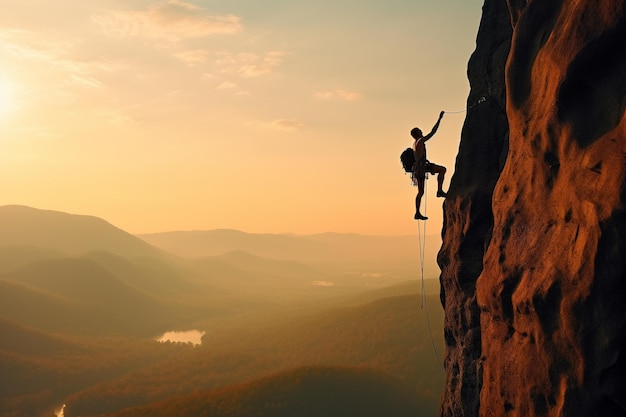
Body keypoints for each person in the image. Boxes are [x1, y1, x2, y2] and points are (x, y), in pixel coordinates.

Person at [411, 111, 447, 220]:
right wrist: (439, 119)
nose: (422, 131)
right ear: (418, 133)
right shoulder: (420, 141)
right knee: (442, 170)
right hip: (422, 167)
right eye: (420, 131)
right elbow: (433, 132)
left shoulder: (414, 143)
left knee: (421, 192)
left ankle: (417, 212)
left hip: (419, 168)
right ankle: (439, 191)